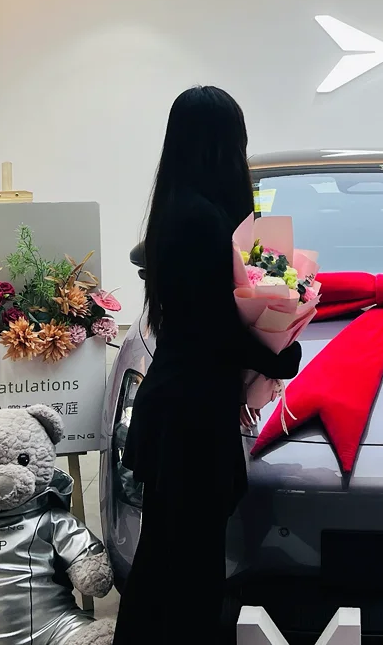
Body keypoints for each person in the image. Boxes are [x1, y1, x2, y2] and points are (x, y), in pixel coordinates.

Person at [112, 86, 302, 644]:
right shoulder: (199, 220)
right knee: (187, 572)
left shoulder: (186, 210)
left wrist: (274, 338)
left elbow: (212, 319)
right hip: (190, 418)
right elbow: (211, 328)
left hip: (185, 407)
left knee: (167, 563)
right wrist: (278, 355)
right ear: (225, 142)